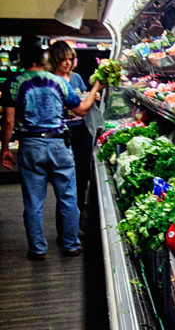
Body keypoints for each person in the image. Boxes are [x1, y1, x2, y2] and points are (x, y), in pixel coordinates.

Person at [0, 36, 104, 261]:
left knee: (33, 201)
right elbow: (82, 110)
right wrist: (97, 85)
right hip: (59, 144)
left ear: (20, 58)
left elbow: (8, 121)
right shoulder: (58, 82)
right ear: (43, 57)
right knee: (68, 196)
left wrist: (5, 149)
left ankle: (37, 249)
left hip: (30, 145)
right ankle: (71, 245)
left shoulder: (13, 83)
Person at [48, 40, 95, 236]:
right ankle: (65, 230)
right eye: (63, 59)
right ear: (54, 60)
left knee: (82, 179)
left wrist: (92, 97)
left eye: (70, 59)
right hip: (62, 135)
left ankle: (76, 223)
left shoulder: (75, 78)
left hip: (81, 132)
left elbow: (84, 99)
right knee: (65, 183)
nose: (67, 63)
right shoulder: (50, 81)